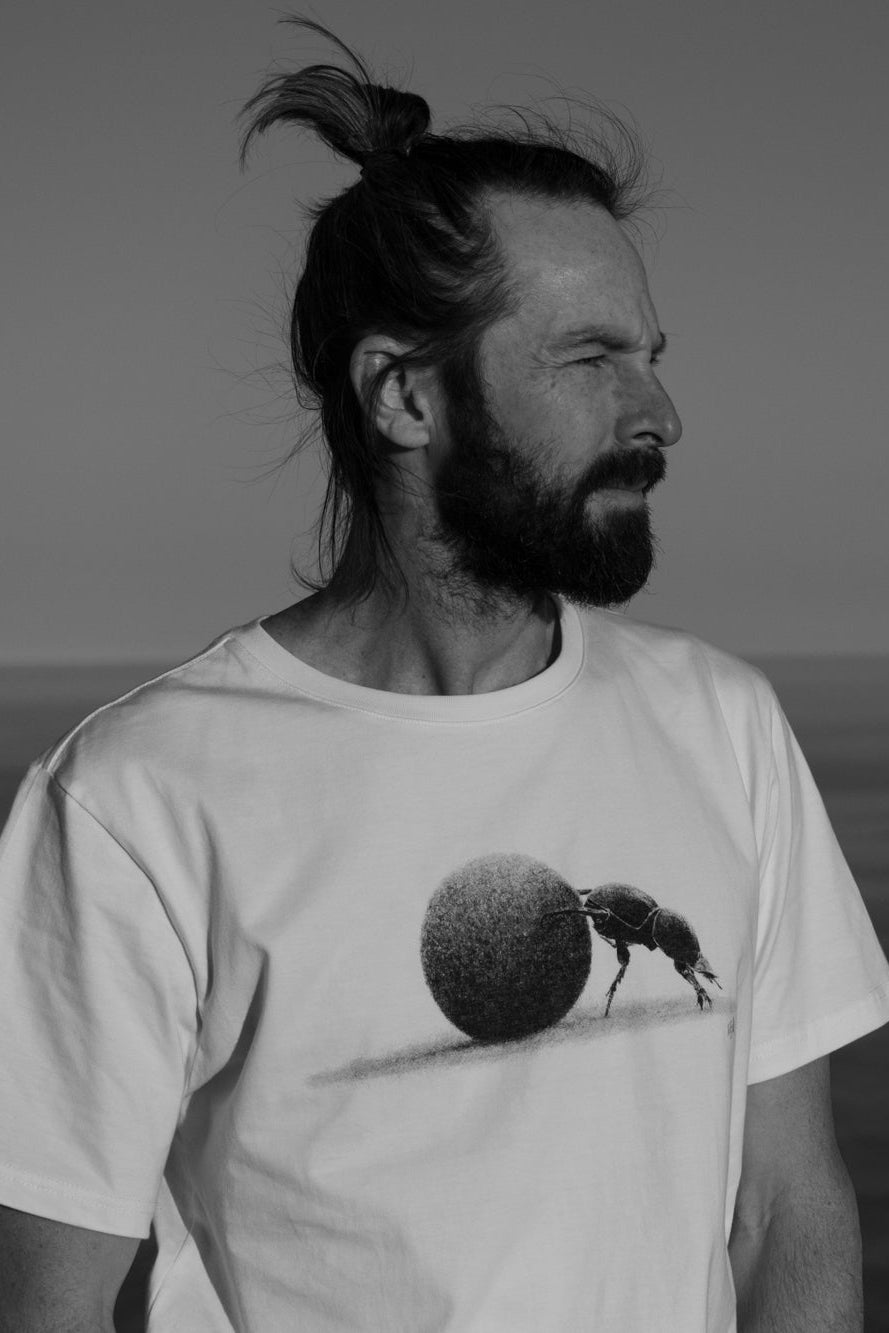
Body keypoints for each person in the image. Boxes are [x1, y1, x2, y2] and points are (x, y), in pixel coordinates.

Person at [1, 15, 887, 1333]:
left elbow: (786, 1206)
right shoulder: (139, 796)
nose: (657, 416)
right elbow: (51, 1297)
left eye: (649, 358)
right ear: (403, 396)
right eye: (591, 360)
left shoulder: (722, 727)